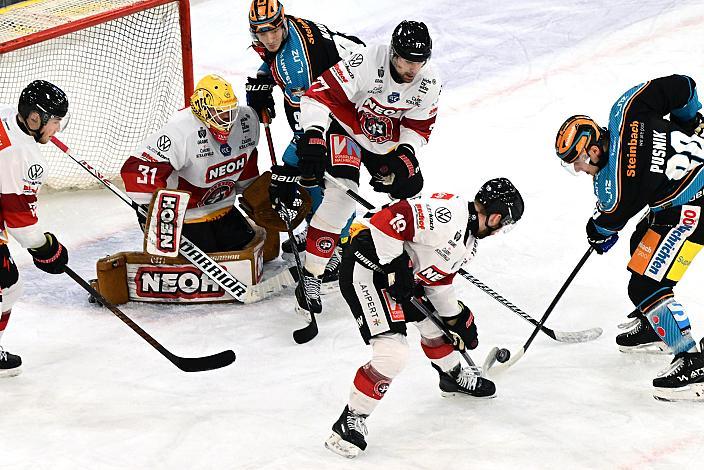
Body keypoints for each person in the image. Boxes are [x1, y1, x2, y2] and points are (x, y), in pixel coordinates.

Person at [325, 178, 524, 458]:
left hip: (398, 276)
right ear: (495, 217)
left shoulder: (468, 243)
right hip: (367, 270)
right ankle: (349, 422)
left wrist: (455, 318)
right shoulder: (449, 215)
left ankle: (452, 376)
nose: (499, 231)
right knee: (392, 353)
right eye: (504, 224)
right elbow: (385, 220)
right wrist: (396, 266)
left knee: (439, 328)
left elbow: (437, 281)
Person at [554, 74, 704, 402]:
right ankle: (657, 324)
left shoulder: (613, 186)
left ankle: (694, 362)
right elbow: (684, 86)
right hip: (690, 187)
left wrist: (596, 234)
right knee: (642, 240)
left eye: (578, 161)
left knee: (644, 285)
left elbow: (605, 225)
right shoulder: (626, 111)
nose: (579, 169)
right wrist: (693, 121)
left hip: (692, 209)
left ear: (594, 148)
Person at [287, 19, 442, 319]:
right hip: (345, 130)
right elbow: (318, 94)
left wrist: (405, 154)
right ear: (393, 53)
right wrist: (314, 133)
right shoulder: (366, 62)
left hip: (384, 142)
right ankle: (311, 274)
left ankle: (404, 266)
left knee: (408, 188)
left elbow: (419, 126)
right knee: (342, 198)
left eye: (419, 62)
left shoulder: (429, 81)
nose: (412, 69)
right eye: (407, 61)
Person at [246, 0, 364, 262]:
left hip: (351, 110)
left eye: (273, 31)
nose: (269, 38)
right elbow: (271, 58)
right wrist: (262, 79)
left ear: (282, 23)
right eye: (262, 32)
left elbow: (309, 120)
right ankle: (317, 231)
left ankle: (340, 247)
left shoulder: (296, 66)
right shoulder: (286, 32)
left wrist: (306, 156)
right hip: (341, 91)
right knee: (304, 174)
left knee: (329, 177)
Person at [121, 74, 262, 254]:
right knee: (209, 252)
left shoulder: (245, 121)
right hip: (186, 216)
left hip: (222, 207)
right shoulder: (182, 130)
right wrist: (162, 214)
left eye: (230, 111)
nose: (227, 119)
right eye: (219, 113)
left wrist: (256, 196)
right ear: (202, 110)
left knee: (243, 245)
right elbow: (134, 170)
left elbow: (247, 157)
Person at [0, 80, 71, 377]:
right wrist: (47, 249)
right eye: (55, 121)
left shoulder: (5, 115)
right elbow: (21, 224)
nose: (57, 129)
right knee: (7, 286)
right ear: (34, 119)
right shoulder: (23, 156)